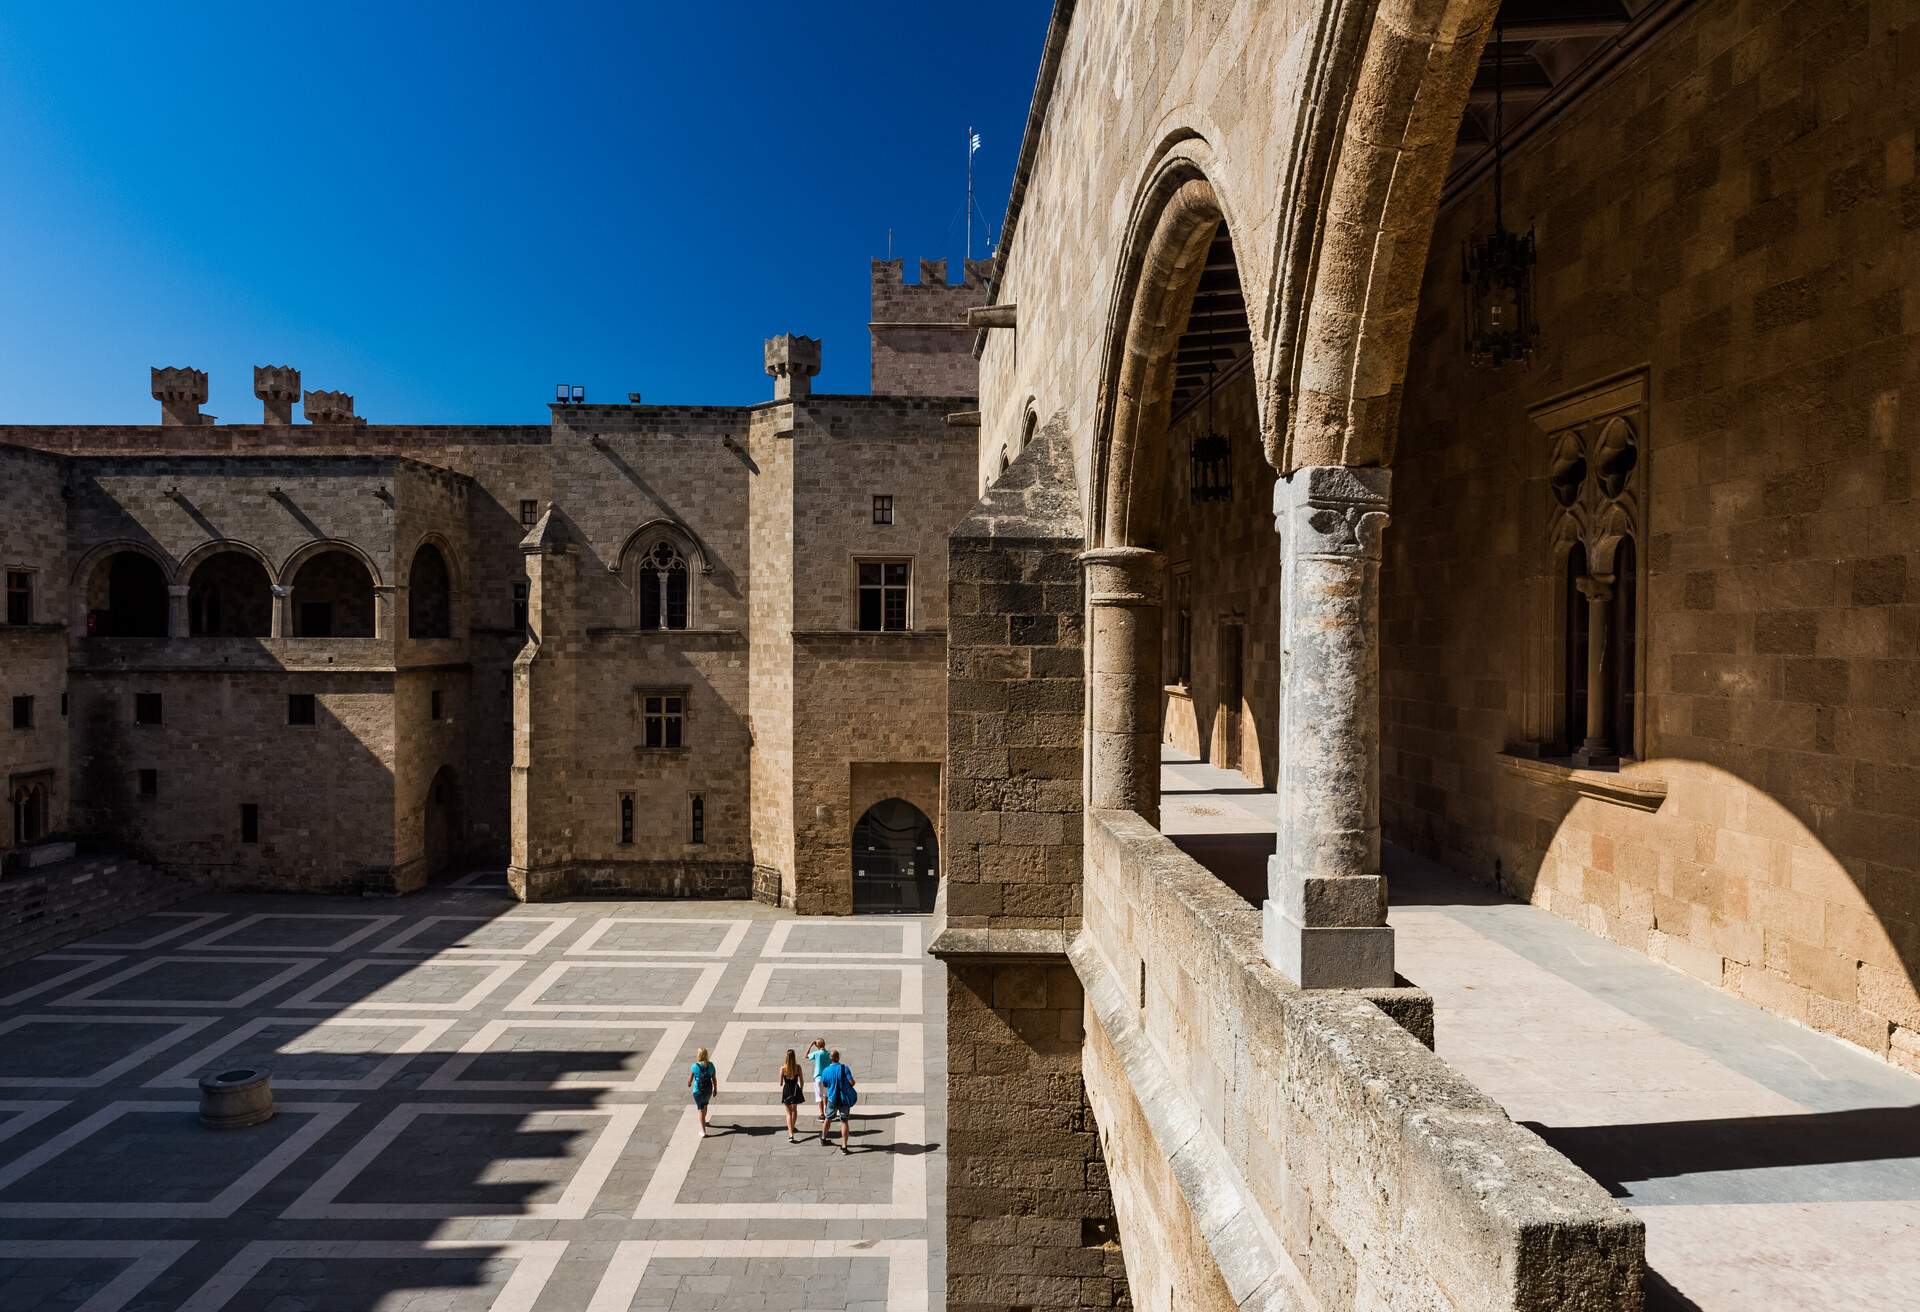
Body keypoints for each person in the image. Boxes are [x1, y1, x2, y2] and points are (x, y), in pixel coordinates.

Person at [817, 1048, 857, 1153]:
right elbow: (852, 1082)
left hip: (832, 1099)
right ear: (838, 1057)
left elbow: (824, 1084)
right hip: (844, 1100)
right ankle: (844, 1146)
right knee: (844, 1121)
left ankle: (823, 1138)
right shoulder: (845, 1068)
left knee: (828, 1118)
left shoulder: (825, 1071)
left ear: (830, 1059)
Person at [687, 1046, 718, 1136]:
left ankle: (703, 1130)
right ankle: (704, 1121)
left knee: (700, 1109)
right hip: (708, 1090)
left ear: (698, 1055)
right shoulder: (711, 1065)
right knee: (705, 1105)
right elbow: (714, 1079)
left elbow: (690, 1080)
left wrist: (689, 1083)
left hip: (698, 1091)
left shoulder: (695, 1066)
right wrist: (715, 1089)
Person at [778, 1048, 805, 1142]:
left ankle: (790, 1134)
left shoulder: (783, 1068)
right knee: (794, 1110)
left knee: (788, 1112)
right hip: (795, 1090)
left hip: (787, 1090)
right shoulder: (798, 1067)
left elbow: (781, 1083)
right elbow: (802, 1081)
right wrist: (800, 1090)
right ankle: (792, 1127)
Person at [805, 1038, 831, 1133]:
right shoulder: (828, 1053)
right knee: (826, 1095)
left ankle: (821, 1114)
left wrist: (811, 1045)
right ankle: (827, 1111)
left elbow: (806, 1056)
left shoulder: (816, 1053)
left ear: (817, 1045)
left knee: (819, 1096)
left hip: (818, 1078)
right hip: (827, 1077)